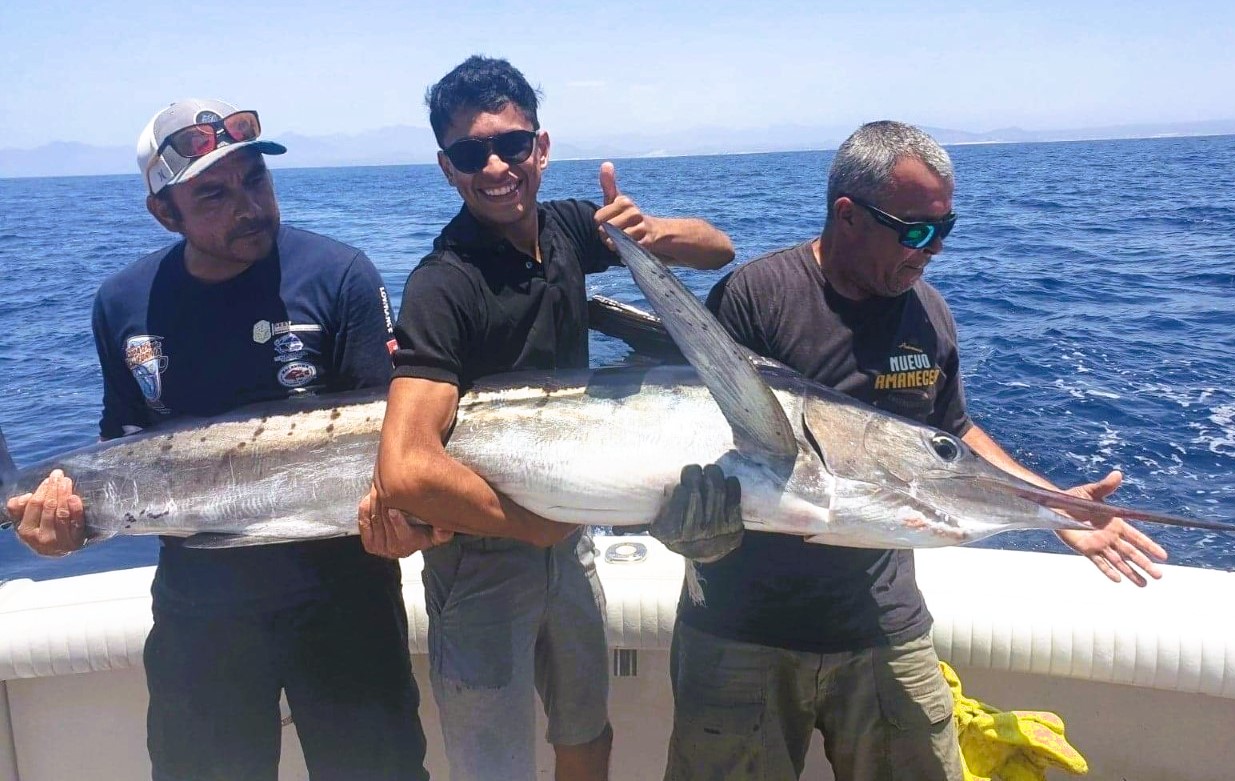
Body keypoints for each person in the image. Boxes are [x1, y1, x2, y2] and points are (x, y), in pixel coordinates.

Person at [663, 120, 1171, 781]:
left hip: (879, 620)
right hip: (740, 624)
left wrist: (1054, 508)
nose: (932, 249)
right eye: (916, 230)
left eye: (945, 228)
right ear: (848, 215)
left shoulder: (926, 312)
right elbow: (688, 434)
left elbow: (952, 432)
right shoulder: (756, 297)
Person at [4, 99, 429, 781]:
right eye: (213, 193)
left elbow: (395, 446)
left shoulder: (342, 275)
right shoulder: (122, 302)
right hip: (200, 618)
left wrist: (415, 519)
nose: (248, 205)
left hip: (346, 603)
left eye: (255, 180)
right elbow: (121, 446)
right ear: (163, 212)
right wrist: (65, 527)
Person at [356, 56, 737, 781]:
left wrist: (645, 232)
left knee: (587, 733)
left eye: (513, 145)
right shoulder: (444, 283)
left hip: (569, 540)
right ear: (447, 168)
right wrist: (531, 524)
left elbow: (719, 249)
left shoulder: (566, 228)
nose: (496, 166)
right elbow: (404, 465)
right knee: (494, 765)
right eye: (472, 154)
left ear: (542, 147)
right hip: (481, 556)